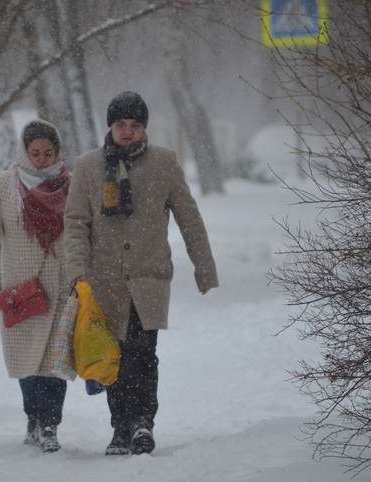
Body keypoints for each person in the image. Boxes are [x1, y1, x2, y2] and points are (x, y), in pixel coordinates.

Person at [64, 91, 218, 455]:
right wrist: (76, 272)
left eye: (135, 125)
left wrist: (204, 269)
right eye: (121, 125)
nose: (128, 132)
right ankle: (121, 428)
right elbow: (75, 224)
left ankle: (142, 424)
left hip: (149, 277)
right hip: (103, 280)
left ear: (144, 128)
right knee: (113, 355)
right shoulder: (88, 166)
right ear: (110, 126)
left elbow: (189, 218)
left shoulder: (164, 163)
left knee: (143, 352)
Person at [0, 120, 72, 453]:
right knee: (26, 359)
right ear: (24, 152)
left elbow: (85, 229)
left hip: (61, 285)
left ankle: (50, 424)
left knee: (55, 361)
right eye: (35, 153)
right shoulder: (5, 185)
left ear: (57, 152)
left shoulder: (72, 184)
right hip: (21, 288)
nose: (41, 159)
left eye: (48, 153)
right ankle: (34, 418)